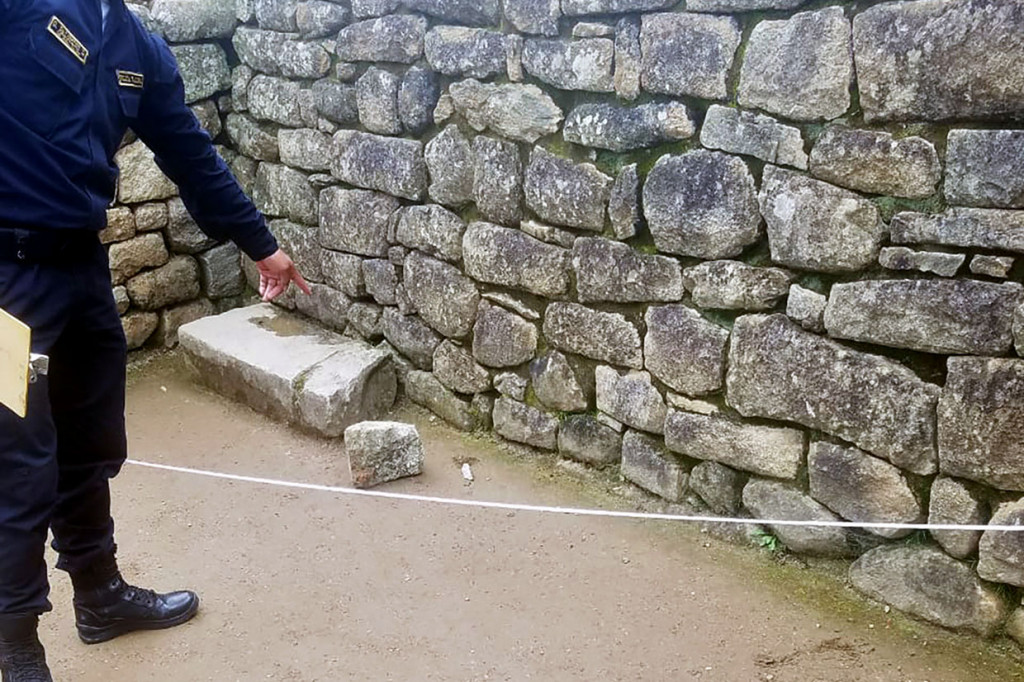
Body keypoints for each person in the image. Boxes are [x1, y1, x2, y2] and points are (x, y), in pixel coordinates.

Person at [0, 1, 310, 679]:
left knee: (92, 442)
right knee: (14, 462)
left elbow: (188, 149)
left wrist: (261, 244)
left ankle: (100, 597)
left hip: (80, 269)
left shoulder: (135, 42)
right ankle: (16, 645)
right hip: (5, 288)